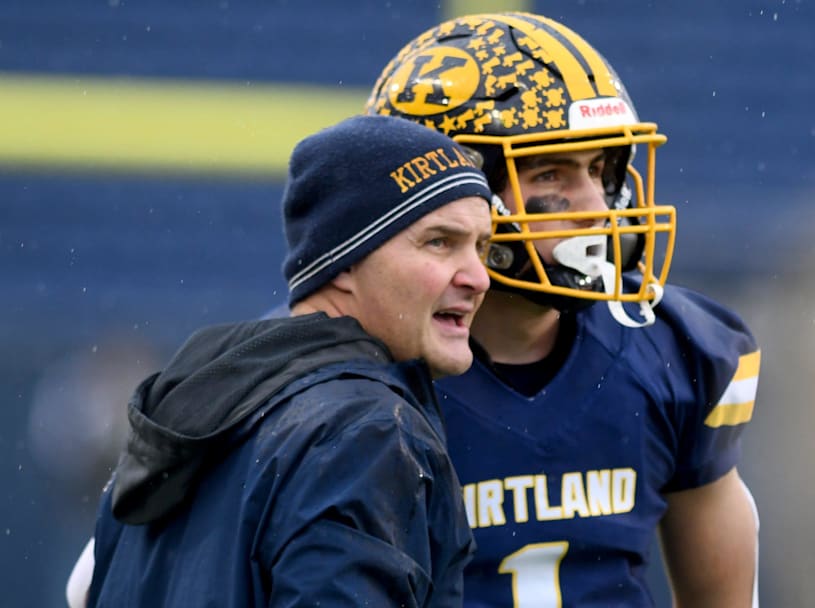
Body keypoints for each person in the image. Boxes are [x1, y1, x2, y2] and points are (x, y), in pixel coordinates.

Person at [367, 13, 762, 607]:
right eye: (551, 172)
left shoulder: (676, 351)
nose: (595, 206)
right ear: (444, 195)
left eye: (600, 170)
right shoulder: (354, 381)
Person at [66, 114, 494, 607]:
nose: (478, 277)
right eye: (440, 242)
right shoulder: (362, 431)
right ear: (346, 259)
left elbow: (81, 591)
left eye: (481, 247)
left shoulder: (199, 403)